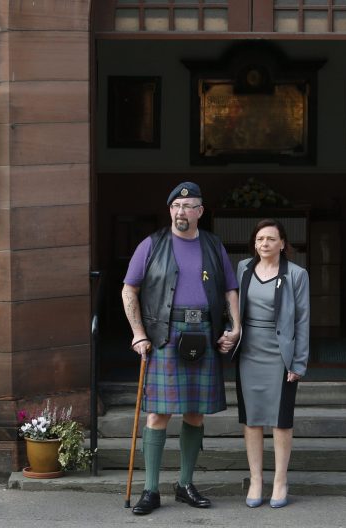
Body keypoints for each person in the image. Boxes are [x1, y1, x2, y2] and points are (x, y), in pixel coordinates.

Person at [121, 181, 241, 515]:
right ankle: (150, 490)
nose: (181, 212)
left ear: (200, 211)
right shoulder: (152, 244)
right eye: (176, 206)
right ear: (170, 210)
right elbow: (129, 290)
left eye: (188, 207)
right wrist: (138, 334)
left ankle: (186, 484)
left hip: (203, 332)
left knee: (194, 412)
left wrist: (236, 326)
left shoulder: (214, 245)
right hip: (164, 334)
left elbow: (231, 289)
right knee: (158, 413)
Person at [230, 218, 310, 509]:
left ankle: (280, 481)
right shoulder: (243, 269)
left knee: (281, 421)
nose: (265, 244)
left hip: (281, 354)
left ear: (283, 244)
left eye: (271, 239)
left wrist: (298, 362)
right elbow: (234, 307)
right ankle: (255, 480)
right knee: (251, 419)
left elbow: (302, 319)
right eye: (260, 239)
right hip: (249, 351)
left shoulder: (297, 274)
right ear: (254, 243)